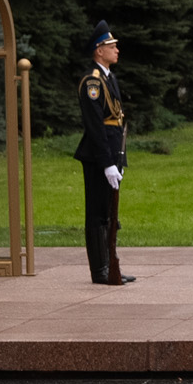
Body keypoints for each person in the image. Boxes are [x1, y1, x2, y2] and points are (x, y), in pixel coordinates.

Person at [73, 21, 137, 286]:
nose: (117, 50)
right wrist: (106, 162)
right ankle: (100, 270)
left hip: (112, 153)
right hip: (99, 157)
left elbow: (115, 123)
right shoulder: (93, 81)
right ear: (99, 50)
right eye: (112, 46)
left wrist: (117, 159)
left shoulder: (110, 78)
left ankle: (111, 266)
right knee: (98, 213)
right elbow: (96, 126)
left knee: (111, 214)